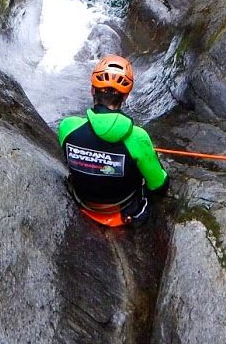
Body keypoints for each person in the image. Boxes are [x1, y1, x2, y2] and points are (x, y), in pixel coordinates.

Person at [58, 54, 168, 227]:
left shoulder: (67, 127)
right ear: (125, 96)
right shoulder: (138, 137)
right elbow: (159, 185)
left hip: (82, 202)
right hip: (123, 210)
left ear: (93, 90)